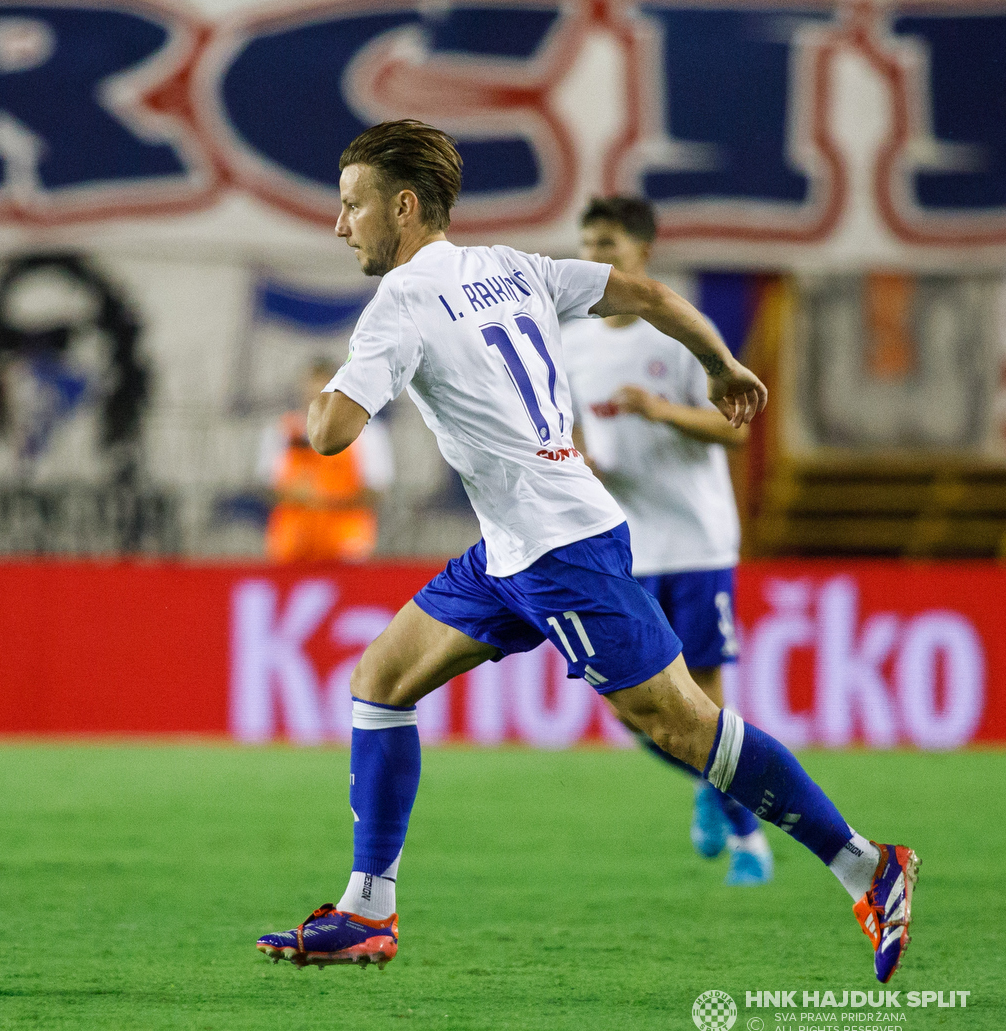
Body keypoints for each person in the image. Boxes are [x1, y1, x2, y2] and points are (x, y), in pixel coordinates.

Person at [254, 120, 918, 983]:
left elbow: (330, 434)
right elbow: (642, 294)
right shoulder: (513, 267)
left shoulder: (402, 302)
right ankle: (367, 910)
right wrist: (717, 362)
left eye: (352, 207)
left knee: (681, 725)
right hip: (516, 548)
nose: (341, 226)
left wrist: (335, 388)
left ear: (404, 207)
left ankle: (868, 866)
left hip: (562, 550)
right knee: (379, 683)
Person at [561, 196, 772, 886]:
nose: (595, 259)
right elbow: (576, 433)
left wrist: (658, 410)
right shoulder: (572, 337)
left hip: (695, 539)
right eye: (588, 245)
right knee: (631, 711)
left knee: (701, 704)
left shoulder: (678, 333)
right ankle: (712, 789)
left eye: (609, 246)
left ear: (643, 254)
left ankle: (748, 839)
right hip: (627, 547)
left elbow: (731, 425)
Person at [256, 357, 394, 563]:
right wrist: (291, 492)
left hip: (348, 545)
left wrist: (324, 497)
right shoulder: (282, 430)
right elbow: (266, 485)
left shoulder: (366, 431)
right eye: (309, 389)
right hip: (290, 545)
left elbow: (376, 489)